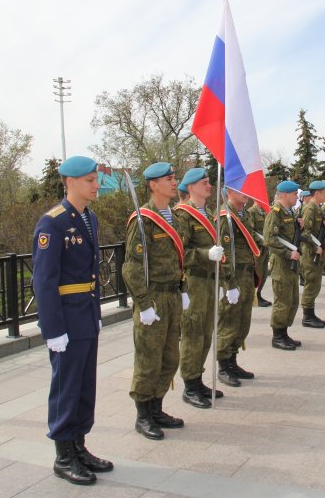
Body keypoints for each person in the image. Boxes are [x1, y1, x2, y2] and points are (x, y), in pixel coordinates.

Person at [33, 156, 113, 485]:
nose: (97, 186)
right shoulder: (51, 223)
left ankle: (79, 446)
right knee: (66, 387)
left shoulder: (88, 218)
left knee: (83, 386)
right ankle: (63, 455)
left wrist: (94, 314)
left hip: (85, 313)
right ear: (70, 182)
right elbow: (44, 280)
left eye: (96, 180)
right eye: (90, 180)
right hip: (65, 319)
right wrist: (53, 329)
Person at [124, 162, 186, 441]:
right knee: (148, 358)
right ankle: (143, 415)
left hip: (172, 295)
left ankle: (157, 407)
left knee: (170, 357)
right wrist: (144, 303)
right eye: (168, 179)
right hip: (154, 298)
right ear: (153, 185)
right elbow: (132, 267)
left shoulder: (174, 216)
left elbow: (177, 258)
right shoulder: (143, 220)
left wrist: (183, 288)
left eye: (174, 178)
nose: (174, 183)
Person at [173, 167, 232, 408]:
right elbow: (180, 252)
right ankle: (189, 385)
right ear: (191, 188)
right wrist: (204, 254)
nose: (209, 186)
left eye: (209, 182)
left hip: (209, 280)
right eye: (204, 183)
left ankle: (197, 379)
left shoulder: (206, 213)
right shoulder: (183, 216)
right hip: (194, 280)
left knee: (206, 333)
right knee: (193, 333)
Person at [216, 187, 262, 387]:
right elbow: (223, 253)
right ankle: (223, 366)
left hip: (246, 274)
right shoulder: (225, 217)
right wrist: (228, 284)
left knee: (243, 322)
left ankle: (233, 362)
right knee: (229, 322)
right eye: (239, 190)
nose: (245, 192)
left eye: (245, 189)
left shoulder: (244, 215)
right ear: (228, 193)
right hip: (233, 276)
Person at [265, 181, 303, 350]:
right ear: (285, 195)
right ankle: (277, 336)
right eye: (294, 194)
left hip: (291, 263)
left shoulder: (290, 212)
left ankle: (284, 333)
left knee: (292, 300)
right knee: (282, 300)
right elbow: (269, 240)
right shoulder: (276, 213)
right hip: (281, 263)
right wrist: (288, 254)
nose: (297, 197)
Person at [298, 180, 325, 328]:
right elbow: (306, 232)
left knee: (315, 283)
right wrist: (315, 246)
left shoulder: (318, 208)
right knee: (311, 283)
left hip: (316, 250)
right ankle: (307, 316)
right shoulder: (310, 209)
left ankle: (311, 313)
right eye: (324, 193)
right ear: (317, 193)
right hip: (310, 252)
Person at [248, 201, 271, 307]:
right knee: (258, 273)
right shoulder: (251, 212)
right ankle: (254, 296)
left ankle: (259, 294)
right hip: (257, 249)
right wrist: (261, 242)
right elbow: (251, 232)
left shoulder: (263, 212)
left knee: (264, 272)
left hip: (265, 248)